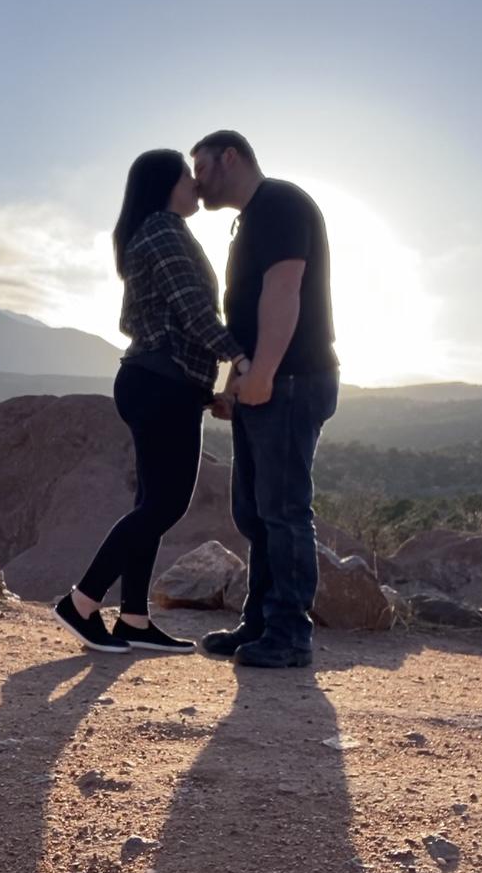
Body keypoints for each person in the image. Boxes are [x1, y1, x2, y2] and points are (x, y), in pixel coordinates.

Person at [54, 149, 249, 654]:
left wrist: (202, 387)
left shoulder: (158, 231)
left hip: (160, 383)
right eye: (189, 177)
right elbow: (192, 312)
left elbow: (153, 319)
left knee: (153, 503)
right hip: (159, 385)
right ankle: (81, 602)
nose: (196, 186)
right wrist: (240, 360)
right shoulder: (162, 231)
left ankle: (135, 620)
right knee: (165, 504)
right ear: (167, 185)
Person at [193, 130, 339, 669]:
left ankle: (289, 634)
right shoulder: (253, 216)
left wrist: (267, 374)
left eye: (202, 168)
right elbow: (248, 312)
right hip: (269, 380)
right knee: (255, 512)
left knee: (283, 509)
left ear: (229, 157)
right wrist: (240, 380)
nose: (197, 181)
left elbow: (284, 289)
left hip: (293, 379)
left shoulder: (280, 202)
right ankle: (260, 624)